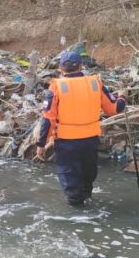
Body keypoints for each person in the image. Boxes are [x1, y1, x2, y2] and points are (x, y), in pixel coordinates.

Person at [36, 51, 127, 206]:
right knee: (87, 180)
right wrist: (123, 97)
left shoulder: (56, 86)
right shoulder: (95, 83)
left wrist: (41, 144)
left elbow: (48, 118)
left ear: (60, 68)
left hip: (66, 143)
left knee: (71, 184)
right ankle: (89, 211)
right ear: (81, 66)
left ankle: (77, 218)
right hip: (90, 141)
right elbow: (114, 109)